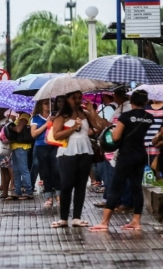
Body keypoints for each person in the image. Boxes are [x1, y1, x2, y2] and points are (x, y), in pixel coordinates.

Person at [89, 90, 154, 231]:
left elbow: (116, 137)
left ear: (131, 101)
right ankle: (136, 221)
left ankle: (105, 222)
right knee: (136, 188)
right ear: (146, 102)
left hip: (126, 155)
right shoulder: (149, 117)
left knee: (116, 187)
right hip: (140, 154)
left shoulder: (125, 116)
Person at [51, 90, 103, 228]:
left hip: (85, 151)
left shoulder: (84, 114)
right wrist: (73, 128)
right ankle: (63, 218)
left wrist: (93, 112)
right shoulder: (62, 116)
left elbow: (100, 127)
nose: (78, 101)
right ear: (68, 99)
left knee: (81, 185)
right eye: (75, 98)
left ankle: (76, 217)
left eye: (80, 98)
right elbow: (56, 135)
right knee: (67, 185)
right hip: (67, 152)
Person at [30, 99, 60, 206]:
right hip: (41, 147)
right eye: (46, 103)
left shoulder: (56, 115)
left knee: (56, 171)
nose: (49, 105)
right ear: (40, 105)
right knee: (46, 172)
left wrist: (54, 121)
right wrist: (46, 124)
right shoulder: (36, 118)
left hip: (54, 146)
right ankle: (49, 197)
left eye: (50, 103)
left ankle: (58, 196)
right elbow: (33, 134)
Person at [8, 110, 33, 200]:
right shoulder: (20, 116)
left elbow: (18, 129)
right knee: (16, 170)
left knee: (23, 169)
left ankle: (28, 192)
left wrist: (10, 125)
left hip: (21, 146)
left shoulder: (25, 116)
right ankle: (17, 191)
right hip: (16, 146)